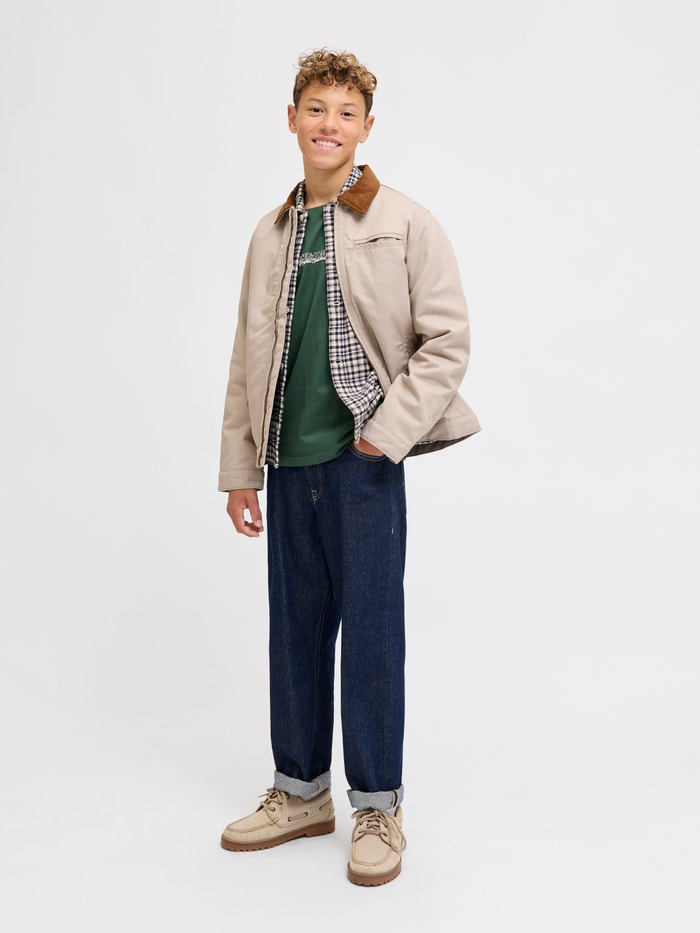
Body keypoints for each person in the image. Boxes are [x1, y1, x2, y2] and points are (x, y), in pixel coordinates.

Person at [218, 48, 480, 886]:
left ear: (367, 127)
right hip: (287, 461)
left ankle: (377, 805)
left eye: (345, 112)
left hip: (363, 462)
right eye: (315, 109)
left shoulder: (402, 220)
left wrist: (387, 432)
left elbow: (448, 340)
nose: (328, 124)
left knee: (370, 633)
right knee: (293, 631)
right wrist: (240, 468)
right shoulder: (271, 234)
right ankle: (300, 791)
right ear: (292, 120)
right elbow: (246, 358)